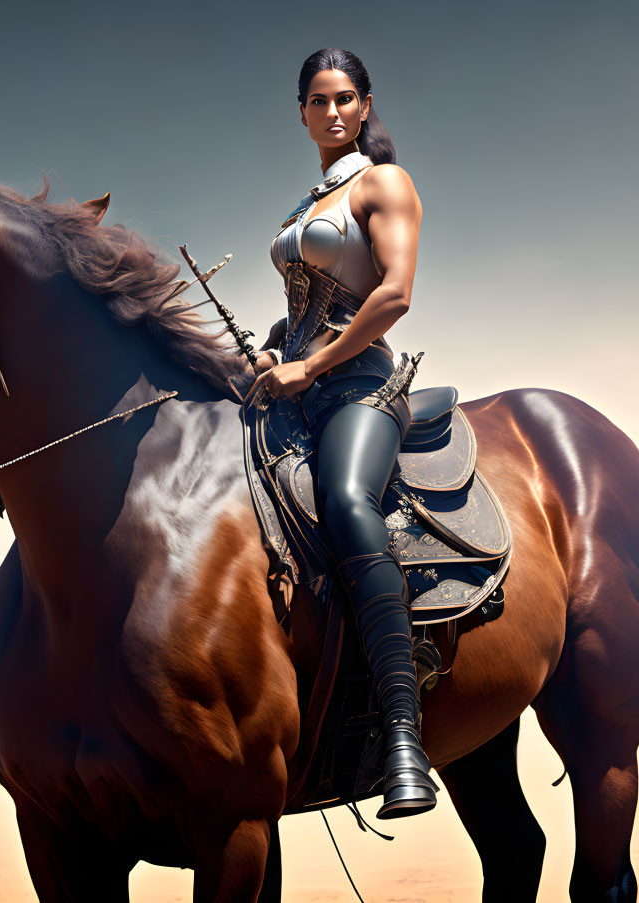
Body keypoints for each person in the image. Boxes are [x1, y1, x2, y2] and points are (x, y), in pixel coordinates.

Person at [250, 47, 437, 819]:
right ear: (300, 112)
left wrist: (313, 363)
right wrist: (274, 350)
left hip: (361, 388)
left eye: (344, 99)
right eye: (317, 101)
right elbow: (301, 308)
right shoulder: (306, 204)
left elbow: (392, 295)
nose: (331, 111)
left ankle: (402, 734)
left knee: (346, 500)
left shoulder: (382, 183)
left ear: (364, 106)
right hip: (298, 385)